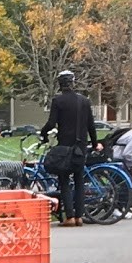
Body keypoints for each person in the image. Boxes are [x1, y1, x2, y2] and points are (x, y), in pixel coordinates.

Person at [38, 69, 97, 225]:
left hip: (65, 147)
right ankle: (79, 216)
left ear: (60, 84)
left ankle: (69, 216)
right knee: (79, 181)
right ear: (73, 83)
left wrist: (43, 134)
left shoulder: (58, 101)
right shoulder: (84, 101)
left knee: (64, 180)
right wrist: (95, 142)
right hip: (80, 147)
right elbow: (91, 125)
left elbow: (51, 123)